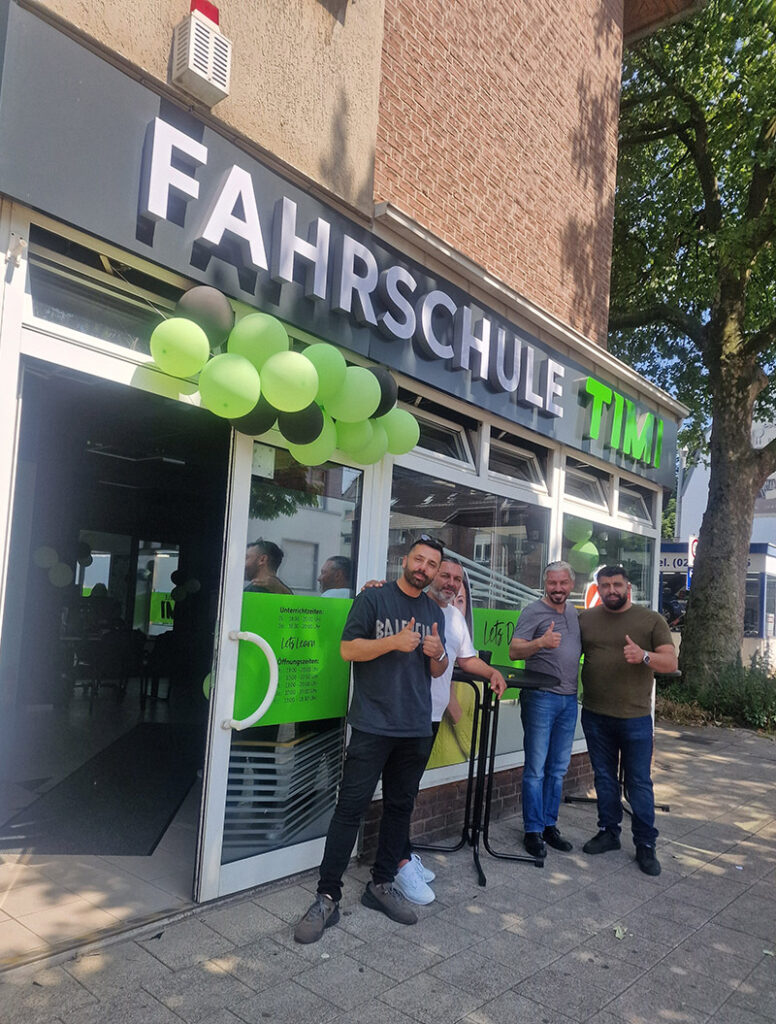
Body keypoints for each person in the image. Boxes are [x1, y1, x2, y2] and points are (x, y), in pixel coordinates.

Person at [294, 536, 449, 944]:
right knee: (350, 809)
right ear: (405, 560)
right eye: (419, 559)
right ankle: (327, 896)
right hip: (372, 724)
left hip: (415, 727)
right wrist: (393, 643)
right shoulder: (373, 600)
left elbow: (438, 670)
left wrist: (437, 653)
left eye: (431, 564)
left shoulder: (435, 610)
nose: (424, 568)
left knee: (400, 808)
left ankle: (380, 885)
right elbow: (348, 649)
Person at [391, 557, 506, 904]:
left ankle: (403, 855)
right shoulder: (406, 606)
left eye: (457, 578)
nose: (452, 582)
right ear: (429, 575)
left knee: (406, 793)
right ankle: (397, 866)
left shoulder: (454, 618)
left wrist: (491, 674)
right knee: (399, 793)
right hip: (399, 715)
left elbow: (466, 659)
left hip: (430, 717)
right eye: (446, 575)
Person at [578, 564, 677, 876]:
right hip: (595, 714)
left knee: (638, 783)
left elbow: (671, 662)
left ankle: (646, 845)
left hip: (635, 719)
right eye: (605, 585)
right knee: (604, 779)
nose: (611, 591)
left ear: (628, 587)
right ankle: (609, 832)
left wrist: (644, 656)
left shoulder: (650, 620)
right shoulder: (587, 619)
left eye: (616, 585)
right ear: (598, 588)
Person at [508, 560, 581, 860]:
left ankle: (550, 825)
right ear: (545, 583)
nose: (558, 589)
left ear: (571, 585)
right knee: (536, 770)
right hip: (541, 698)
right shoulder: (532, 611)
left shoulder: (575, 612)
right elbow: (514, 650)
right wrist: (540, 642)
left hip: (568, 700)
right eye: (552, 583)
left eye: (563, 583)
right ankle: (533, 830)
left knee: (558, 768)